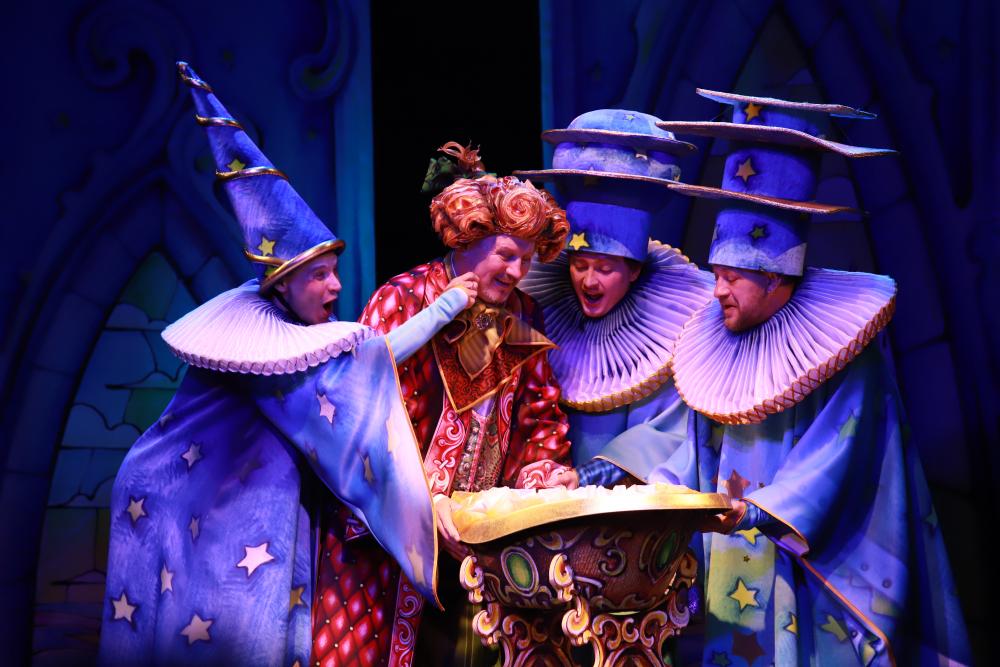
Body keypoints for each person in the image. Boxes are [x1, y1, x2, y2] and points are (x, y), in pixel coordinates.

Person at [98, 63, 477, 667]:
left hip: (261, 509)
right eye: (319, 275)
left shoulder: (295, 334)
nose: (335, 286)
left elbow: (354, 362)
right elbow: (366, 362)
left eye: (334, 271)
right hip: (214, 505)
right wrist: (445, 307)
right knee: (227, 630)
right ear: (282, 283)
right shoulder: (261, 344)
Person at [647, 89, 970, 665]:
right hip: (728, 556)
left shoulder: (844, 351)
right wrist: (660, 489)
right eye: (716, 273)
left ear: (775, 277)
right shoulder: (715, 338)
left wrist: (762, 511)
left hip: (807, 557)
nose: (717, 290)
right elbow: (695, 441)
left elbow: (841, 454)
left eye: (733, 277)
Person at [343, 145, 572, 665]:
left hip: (483, 544)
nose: (517, 271)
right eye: (505, 255)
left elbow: (539, 411)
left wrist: (544, 472)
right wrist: (424, 499)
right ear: (466, 242)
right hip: (396, 538)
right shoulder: (403, 300)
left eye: (526, 260)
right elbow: (364, 416)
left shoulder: (521, 312)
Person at [515, 109, 714, 489]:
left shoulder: (673, 333)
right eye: (580, 265)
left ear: (634, 270)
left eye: (605, 269)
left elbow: (666, 435)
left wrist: (588, 475)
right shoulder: (534, 312)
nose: (589, 281)